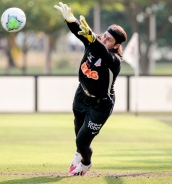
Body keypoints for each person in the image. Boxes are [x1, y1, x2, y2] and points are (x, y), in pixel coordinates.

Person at [54, 2, 127, 176]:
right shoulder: (94, 42)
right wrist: (70, 20)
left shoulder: (114, 60)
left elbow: (100, 50)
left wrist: (93, 39)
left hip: (100, 105)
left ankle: (86, 163)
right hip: (82, 95)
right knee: (77, 131)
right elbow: (82, 34)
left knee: (82, 141)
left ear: (116, 45)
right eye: (104, 35)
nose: (104, 39)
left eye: (109, 39)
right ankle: (79, 153)